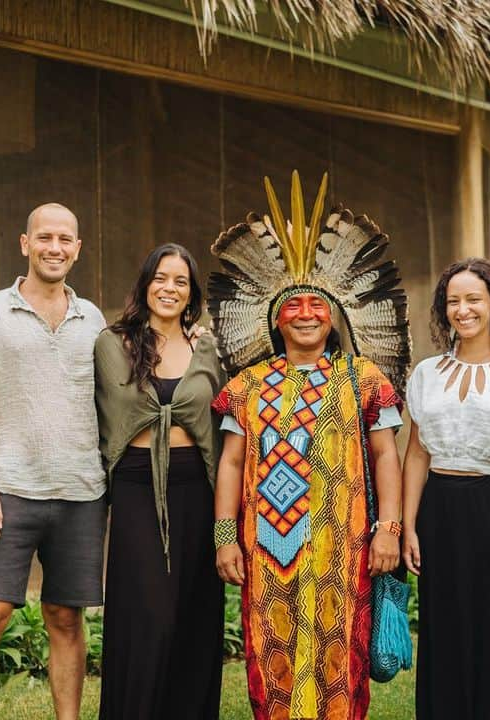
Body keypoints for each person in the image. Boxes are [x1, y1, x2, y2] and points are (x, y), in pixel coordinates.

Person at [209, 172, 408, 720]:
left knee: (339, 657)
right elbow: (230, 463)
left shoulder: (364, 378)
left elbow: (386, 455)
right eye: (292, 306)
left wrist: (387, 529)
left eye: (315, 306)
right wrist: (226, 537)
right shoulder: (246, 387)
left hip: (344, 549)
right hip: (266, 551)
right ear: (275, 319)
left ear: (334, 316)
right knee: (270, 654)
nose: (304, 314)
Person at [0, 203, 107, 720]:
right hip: (10, 488)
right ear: (25, 243)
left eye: (65, 239)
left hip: (82, 492)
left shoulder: (94, 322)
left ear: (77, 249)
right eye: (45, 237)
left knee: (65, 617)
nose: (55, 247)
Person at [401, 258, 490, 720]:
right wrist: (408, 526)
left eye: (473, 300)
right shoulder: (426, 373)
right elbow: (418, 454)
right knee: (444, 635)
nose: (463, 310)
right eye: (453, 301)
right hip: (439, 511)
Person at [94, 243, 224, 719]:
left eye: (180, 281)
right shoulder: (113, 342)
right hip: (135, 488)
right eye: (161, 278)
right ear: (145, 284)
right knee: (149, 618)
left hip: (198, 490)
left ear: (191, 294)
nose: (169, 288)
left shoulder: (206, 348)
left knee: (193, 615)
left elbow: (226, 421)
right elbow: (85, 406)